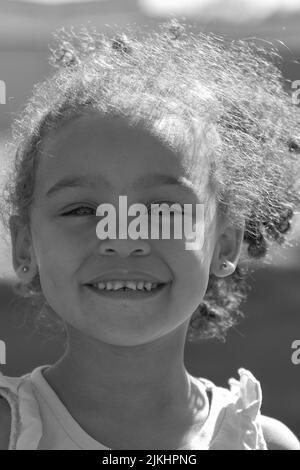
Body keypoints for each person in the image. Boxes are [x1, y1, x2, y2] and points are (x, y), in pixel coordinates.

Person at [0, 19, 299, 450]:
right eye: (83, 209)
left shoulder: (260, 443)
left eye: (163, 210)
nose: (122, 237)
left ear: (225, 243)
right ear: (25, 244)